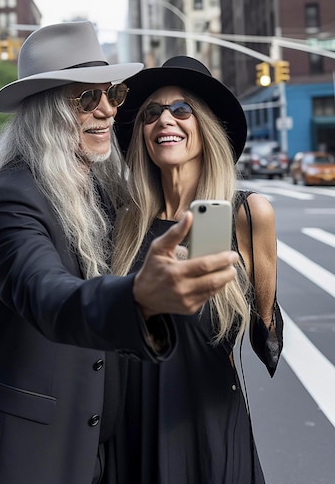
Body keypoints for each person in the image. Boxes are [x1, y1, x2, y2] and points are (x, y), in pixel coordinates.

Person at [0, 23, 239, 484]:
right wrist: (138, 300)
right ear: (46, 111)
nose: (108, 110)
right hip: (33, 456)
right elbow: (48, 293)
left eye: (113, 93)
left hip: (112, 446)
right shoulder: (12, 197)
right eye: (88, 99)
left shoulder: (105, 193)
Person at [112, 55, 284, 484]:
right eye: (152, 112)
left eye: (181, 109)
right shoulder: (122, 220)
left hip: (207, 431)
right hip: (131, 426)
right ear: (142, 134)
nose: (164, 119)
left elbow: (265, 336)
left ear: (204, 126)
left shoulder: (242, 214)